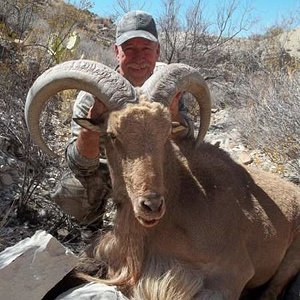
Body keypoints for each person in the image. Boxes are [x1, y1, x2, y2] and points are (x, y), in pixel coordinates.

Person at [51, 10, 193, 226]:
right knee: (73, 191)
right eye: (129, 49)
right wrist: (93, 123)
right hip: (110, 171)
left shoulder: (168, 86)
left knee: (196, 186)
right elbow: (80, 164)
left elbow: (189, 144)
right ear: (116, 51)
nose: (138, 58)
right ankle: (92, 227)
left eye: (146, 49)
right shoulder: (94, 92)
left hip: (159, 168)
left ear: (158, 51)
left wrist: (172, 116)